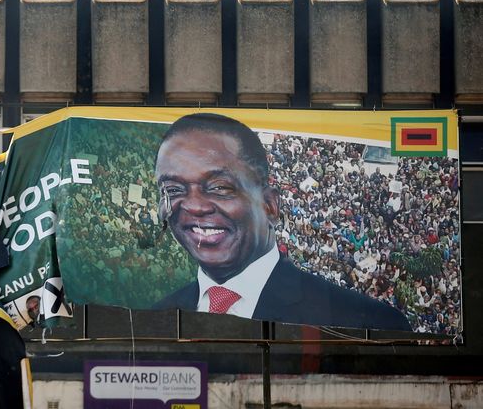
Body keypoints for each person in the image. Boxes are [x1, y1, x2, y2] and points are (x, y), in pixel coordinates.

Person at [153, 113, 411, 331]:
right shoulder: (155, 319)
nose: (195, 206)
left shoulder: (364, 322)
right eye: (174, 190)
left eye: (220, 187)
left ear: (270, 206)